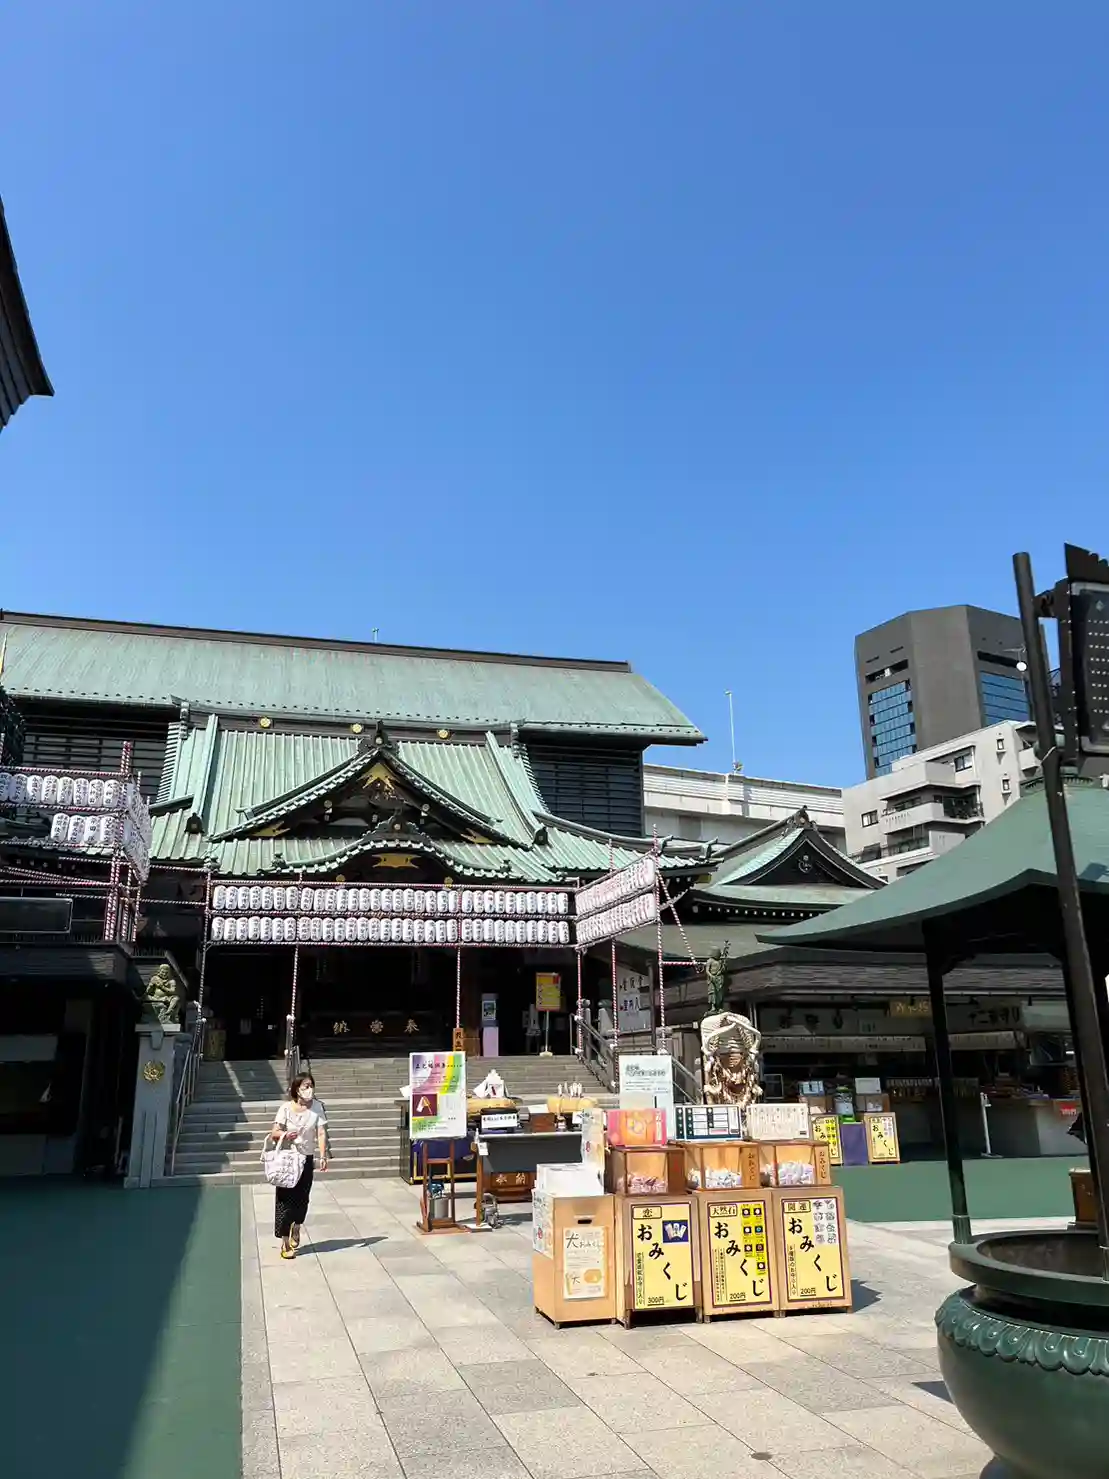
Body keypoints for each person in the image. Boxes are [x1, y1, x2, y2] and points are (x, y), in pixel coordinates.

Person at [268, 1071, 328, 1259]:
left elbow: (321, 1133)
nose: (309, 1089)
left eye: (311, 1086)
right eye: (306, 1086)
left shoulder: (317, 1107)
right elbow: (274, 1132)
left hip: (306, 1159)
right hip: (288, 1160)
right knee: (285, 1201)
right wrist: (285, 1134)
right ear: (297, 1089)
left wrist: (323, 1155)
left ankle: (297, 1225)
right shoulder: (285, 1108)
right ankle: (285, 1242)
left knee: (303, 1199)